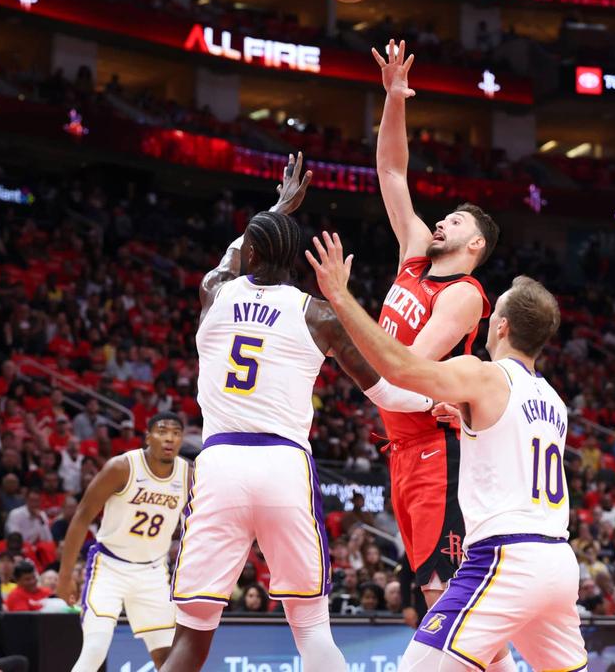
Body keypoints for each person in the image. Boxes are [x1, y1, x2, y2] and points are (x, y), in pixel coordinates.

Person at [163, 157, 437, 672]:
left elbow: (232, 254)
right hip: (283, 466)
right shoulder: (319, 314)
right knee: (310, 628)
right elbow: (385, 391)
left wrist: (279, 206)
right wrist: (433, 401)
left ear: (252, 252)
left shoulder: (214, 291)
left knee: (191, 636)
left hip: (220, 464)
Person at [307, 236, 588, 671]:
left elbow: (402, 369)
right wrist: (464, 418)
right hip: (557, 563)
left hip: (504, 560)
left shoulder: (484, 375)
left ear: (502, 326)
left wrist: (340, 297)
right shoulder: (554, 402)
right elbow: (509, 442)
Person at [371, 41, 497, 625]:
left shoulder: (464, 296)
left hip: (434, 449)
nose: (443, 218)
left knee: (443, 598)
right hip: (399, 447)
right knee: (429, 601)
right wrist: (395, 98)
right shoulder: (415, 255)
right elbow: (393, 172)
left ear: (474, 245)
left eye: (459, 220)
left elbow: (407, 364)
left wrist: (343, 330)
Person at [56, 413, 189, 671]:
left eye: (176, 432)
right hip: (109, 566)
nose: (169, 438)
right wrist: (65, 575)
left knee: (168, 658)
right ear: (148, 437)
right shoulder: (122, 467)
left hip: (152, 572)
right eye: (162, 431)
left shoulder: (188, 475)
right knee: (95, 650)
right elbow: (82, 517)